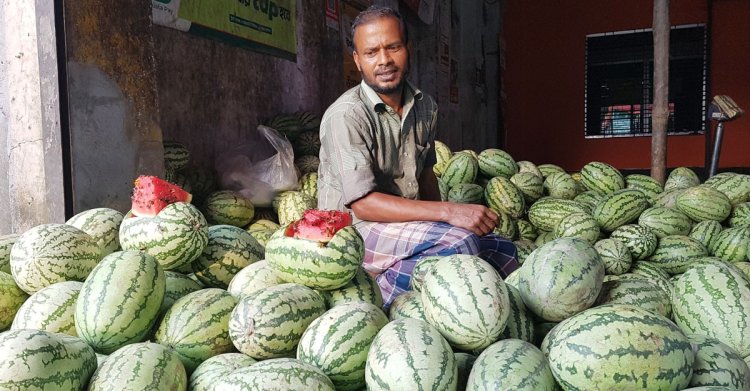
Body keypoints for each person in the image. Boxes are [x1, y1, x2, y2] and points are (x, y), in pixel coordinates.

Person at [317, 5, 517, 307]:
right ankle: (372, 302)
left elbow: (425, 177)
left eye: (393, 47)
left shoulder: (426, 107)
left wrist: (445, 224)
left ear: (407, 48)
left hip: (402, 225)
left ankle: (453, 308)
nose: (384, 60)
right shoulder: (346, 116)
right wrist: (450, 214)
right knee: (461, 243)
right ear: (357, 61)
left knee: (503, 250)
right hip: (351, 232)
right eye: (371, 53)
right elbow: (363, 203)